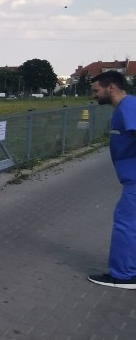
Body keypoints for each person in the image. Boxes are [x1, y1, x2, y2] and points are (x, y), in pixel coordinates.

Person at [88, 70, 136, 289]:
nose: (94, 95)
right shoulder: (124, 108)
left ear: (111, 88)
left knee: (125, 224)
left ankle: (124, 276)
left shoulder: (128, 107)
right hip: (130, 179)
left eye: (96, 90)